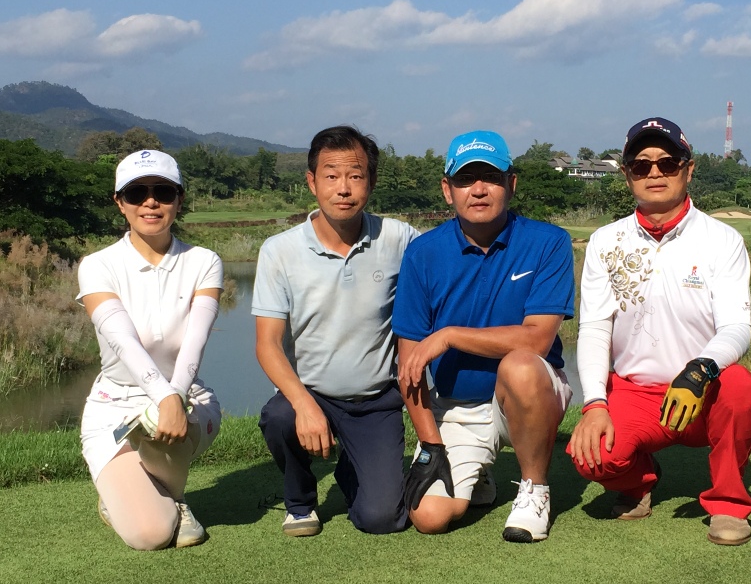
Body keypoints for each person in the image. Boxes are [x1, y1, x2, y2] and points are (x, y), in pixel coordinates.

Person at [567, 117, 751, 546]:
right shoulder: (606, 241)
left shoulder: (722, 240)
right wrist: (594, 403)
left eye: (668, 162)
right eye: (641, 165)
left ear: (688, 169)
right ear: (627, 175)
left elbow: (736, 326)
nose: (654, 172)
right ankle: (640, 480)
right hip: (636, 391)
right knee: (593, 457)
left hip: (702, 390)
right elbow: (595, 328)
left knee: (740, 388)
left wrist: (700, 369)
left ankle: (728, 502)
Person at [393, 130, 576, 543]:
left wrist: (449, 336)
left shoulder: (548, 242)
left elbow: (537, 341)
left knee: (520, 365)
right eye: (465, 179)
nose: (478, 189)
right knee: (430, 517)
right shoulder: (422, 253)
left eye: (491, 178)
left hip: (530, 395)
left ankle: (535, 489)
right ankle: (480, 476)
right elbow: (410, 366)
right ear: (447, 189)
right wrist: (429, 444)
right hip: (458, 406)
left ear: (511, 184)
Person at [253, 126, 419, 537]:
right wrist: (304, 405)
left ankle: (353, 468)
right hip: (310, 394)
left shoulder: (399, 238)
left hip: (376, 399)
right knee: (280, 417)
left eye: (355, 175)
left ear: (371, 182)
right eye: (331, 176)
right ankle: (300, 501)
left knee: (383, 520)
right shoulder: (279, 250)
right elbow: (268, 345)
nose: (343, 188)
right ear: (312, 182)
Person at [77, 149, 223, 550]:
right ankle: (150, 501)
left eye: (163, 191)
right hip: (115, 405)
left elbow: (196, 338)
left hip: (188, 398)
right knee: (149, 535)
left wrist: (173, 396)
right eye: (137, 193)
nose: (151, 202)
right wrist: (164, 397)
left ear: (179, 199)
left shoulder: (204, 261)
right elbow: (122, 340)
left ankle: (172, 497)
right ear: (120, 203)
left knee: (161, 419)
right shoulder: (98, 265)